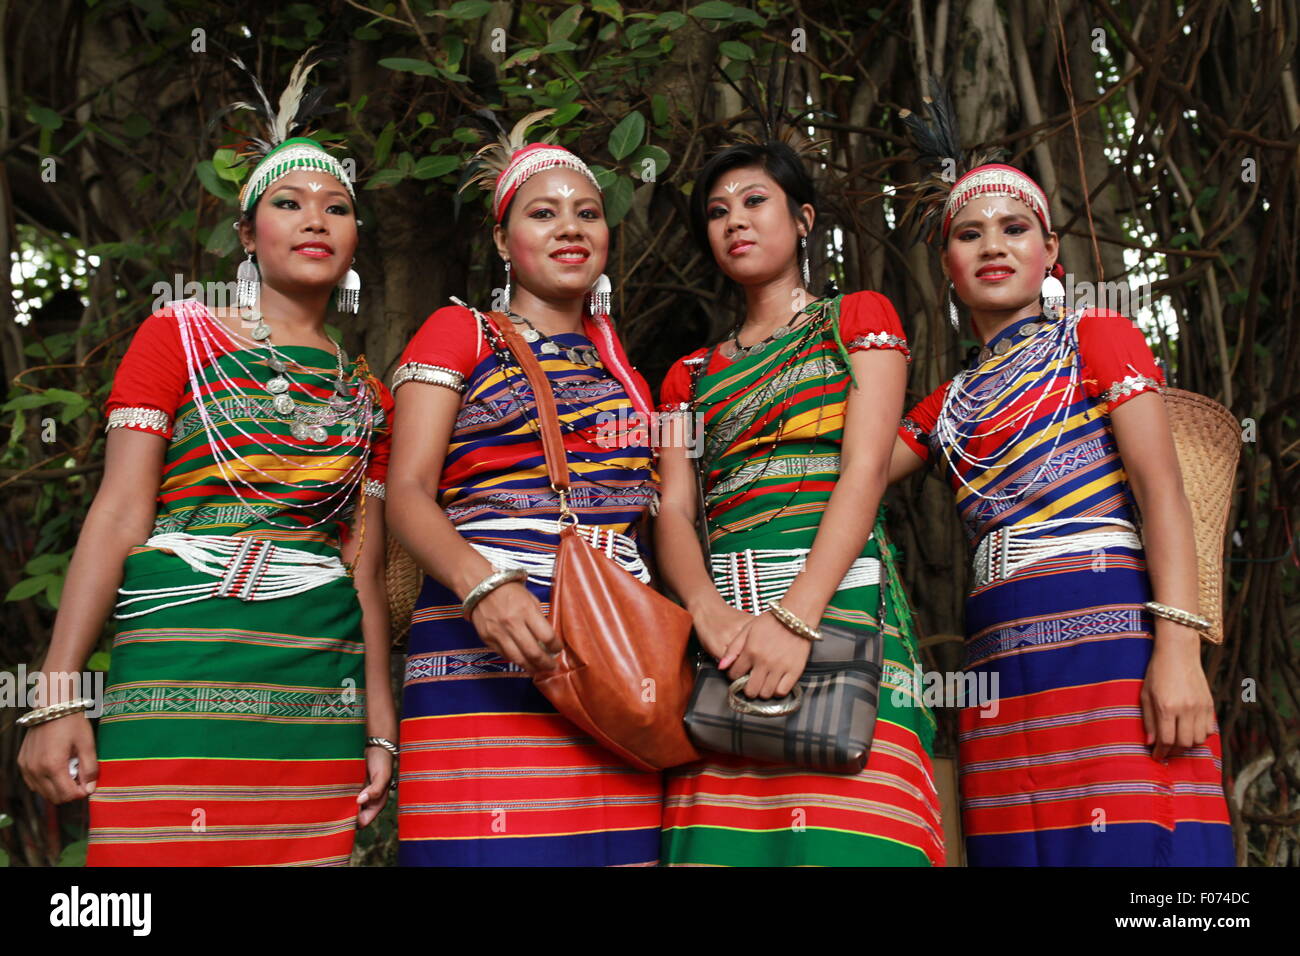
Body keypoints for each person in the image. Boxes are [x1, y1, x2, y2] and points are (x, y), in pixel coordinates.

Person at [16, 59, 396, 866]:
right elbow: (120, 511)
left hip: (312, 684)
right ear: (247, 232)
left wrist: (379, 733)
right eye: (288, 204)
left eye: (337, 207)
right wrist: (56, 698)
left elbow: (361, 569)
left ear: (358, 238)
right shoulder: (179, 334)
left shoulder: (368, 394)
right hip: (177, 654)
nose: (314, 220)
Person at [890, 152, 1235, 865]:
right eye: (969, 233)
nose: (992, 245)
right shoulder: (948, 402)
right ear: (946, 264)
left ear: (1050, 252)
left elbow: (1161, 489)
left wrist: (1179, 651)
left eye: (1015, 228)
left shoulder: (1095, 335)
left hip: (1111, 634)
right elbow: (850, 475)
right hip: (999, 651)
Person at [654, 139, 945, 867]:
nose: (735, 222)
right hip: (725, 633)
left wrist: (796, 617)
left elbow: (865, 470)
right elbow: (674, 511)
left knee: (854, 840)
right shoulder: (685, 377)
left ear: (804, 218)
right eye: (717, 213)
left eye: (755, 202)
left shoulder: (858, 319)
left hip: (841, 608)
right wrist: (705, 611)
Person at [388, 113, 663, 866]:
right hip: (483, 646)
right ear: (504, 241)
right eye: (543, 213)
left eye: (588, 212)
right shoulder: (461, 333)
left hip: (611, 660)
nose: (570, 227)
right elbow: (406, 488)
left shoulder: (626, 376)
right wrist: (485, 586)